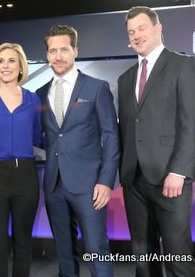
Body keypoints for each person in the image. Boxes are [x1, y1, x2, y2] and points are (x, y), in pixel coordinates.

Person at [118, 6, 195, 277]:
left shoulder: (184, 64)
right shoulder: (125, 78)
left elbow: (191, 123)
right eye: (131, 32)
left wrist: (178, 171)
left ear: (158, 28)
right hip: (134, 181)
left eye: (141, 28)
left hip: (171, 177)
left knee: (177, 258)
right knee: (144, 260)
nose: (136, 35)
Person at [36, 25, 120, 277]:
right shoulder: (40, 94)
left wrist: (106, 181)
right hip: (53, 185)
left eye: (64, 49)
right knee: (64, 253)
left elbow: (111, 136)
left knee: (96, 249)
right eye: (53, 51)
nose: (58, 56)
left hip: (89, 186)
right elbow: (49, 137)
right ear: (47, 55)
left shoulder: (96, 88)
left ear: (75, 51)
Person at [0, 43, 42, 277]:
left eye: (11, 61)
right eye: (1, 61)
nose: (6, 66)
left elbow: (37, 136)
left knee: (23, 244)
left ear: (21, 66)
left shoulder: (34, 101)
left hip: (26, 177)